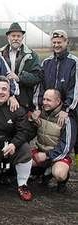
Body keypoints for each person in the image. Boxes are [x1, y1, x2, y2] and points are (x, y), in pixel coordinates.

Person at [33, 30, 78, 164]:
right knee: (48, 136)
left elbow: (75, 88)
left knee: (71, 137)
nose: (57, 45)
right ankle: (46, 167)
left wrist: (67, 109)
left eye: (60, 42)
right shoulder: (46, 62)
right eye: (54, 42)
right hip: (48, 107)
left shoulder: (74, 62)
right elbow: (40, 86)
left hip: (67, 109)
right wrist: (38, 106)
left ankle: (68, 165)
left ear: (66, 42)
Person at [30, 89, 76, 192]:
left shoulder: (67, 119)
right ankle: (43, 172)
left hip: (58, 156)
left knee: (59, 173)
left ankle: (62, 180)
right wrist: (32, 120)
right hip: (41, 150)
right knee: (23, 162)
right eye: (44, 99)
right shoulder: (39, 113)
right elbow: (30, 133)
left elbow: (66, 147)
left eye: (49, 100)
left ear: (58, 101)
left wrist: (47, 155)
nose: (45, 102)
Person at [0, 22, 42, 110]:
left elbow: (37, 77)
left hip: (24, 101)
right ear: (8, 37)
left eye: (18, 36)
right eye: (13, 36)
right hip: (2, 98)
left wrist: (19, 78)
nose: (16, 39)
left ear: (22, 37)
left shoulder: (32, 55)